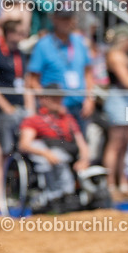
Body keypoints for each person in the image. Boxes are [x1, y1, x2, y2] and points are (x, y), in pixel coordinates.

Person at [17, 86, 92, 214]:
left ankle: (69, 196)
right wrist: (46, 153)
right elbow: (24, 144)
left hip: (69, 156)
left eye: (60, 98)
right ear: (43, 99)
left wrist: (84, 160)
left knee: (63, 158)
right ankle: (55, 197)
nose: (59, 101)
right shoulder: (34, 120)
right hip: (47, 158)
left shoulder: (68, 119)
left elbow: (82, 144)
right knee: (54, 157)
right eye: (54, 98)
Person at [26, 10, 95, 129]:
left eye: (69, 19)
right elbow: (32, 80)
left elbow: (88, 74)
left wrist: (90, 99)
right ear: (54, 20)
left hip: (80, 107)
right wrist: (50, 104)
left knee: (81, 144)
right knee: (58, 147)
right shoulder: (43, 44)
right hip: (54, 111)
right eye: (63, 19)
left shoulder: (79, 42)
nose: (67, 23)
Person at [0, 19, 33, 155]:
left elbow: (26, 83)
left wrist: (30, 108)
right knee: (7, 143)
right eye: (20, 32)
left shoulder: (21, 54)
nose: (23, 35)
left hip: (20, 107)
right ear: (9, 33)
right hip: (1, 110)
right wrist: (7, 108)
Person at [102, 25, 128, 193]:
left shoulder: (126, 57)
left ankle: (123, 182)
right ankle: (111, 184)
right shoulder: (115, 56)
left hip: (127, 100)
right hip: (118, 100)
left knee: (126, 144)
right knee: (115, 144)